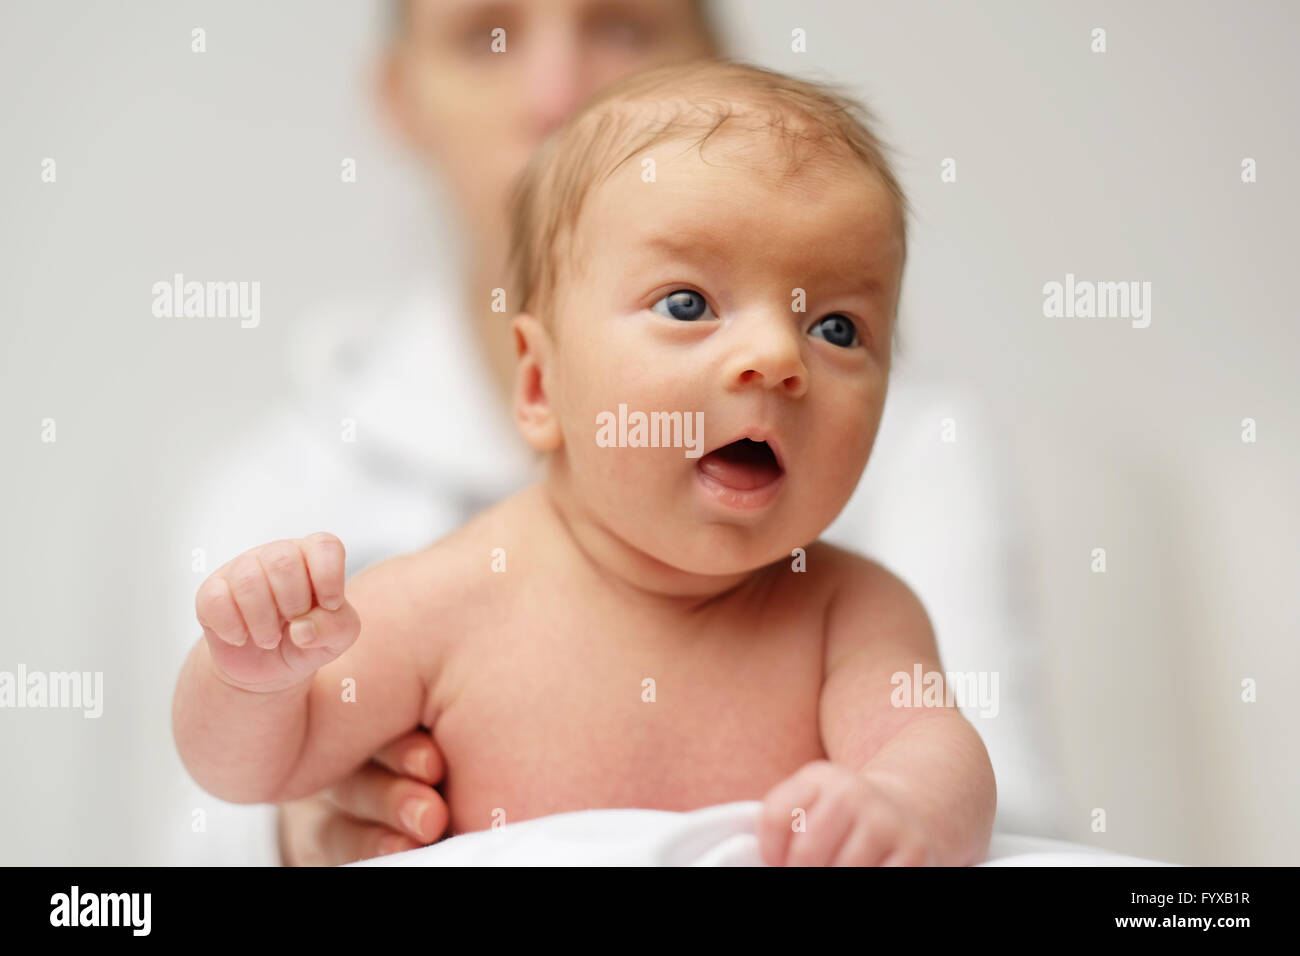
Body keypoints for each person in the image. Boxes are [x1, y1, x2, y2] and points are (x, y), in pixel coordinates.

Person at [164, 0, 1063, 867]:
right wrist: (250, 678)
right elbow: (252, 772)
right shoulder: (447, 598)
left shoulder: (850, 612)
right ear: (541, 382)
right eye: (687, 304)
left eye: (837, 327)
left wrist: (898, 809)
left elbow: (946, 761)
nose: (777, 358)